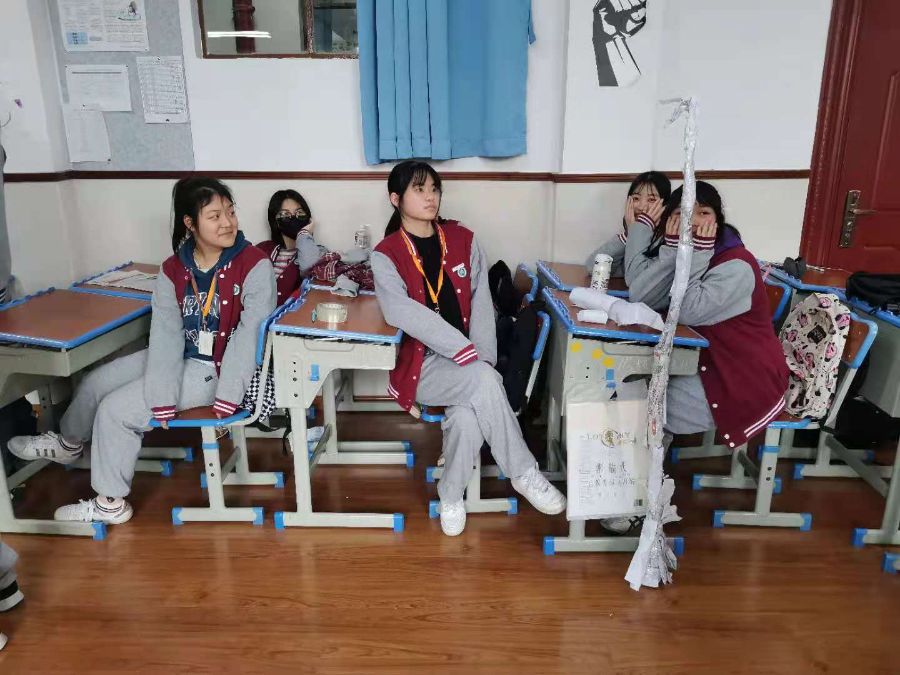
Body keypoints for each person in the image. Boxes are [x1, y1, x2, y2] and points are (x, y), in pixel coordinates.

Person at [8, 177, 275, 525]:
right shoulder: (173, 269)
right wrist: (162, 393)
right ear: (190, 223)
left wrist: (228, 394)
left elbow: (249, 334)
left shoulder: (254, 264)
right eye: (214, 216)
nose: (227, 222)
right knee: (95, 382)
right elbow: (165, 333)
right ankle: (70, 444)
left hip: (217, 368)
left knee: (115, 410)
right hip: (179, 355)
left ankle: (110, 503)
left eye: (230, 211)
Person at [370, 160, 566, 536]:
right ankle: (523, 472)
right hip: (424, 366)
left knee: (467, 417)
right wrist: (460, 349)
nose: (430, 197)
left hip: (471, 361)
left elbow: (481, 303)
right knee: (483, 383)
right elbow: (398, 310)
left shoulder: (463, 240)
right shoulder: (386, 254)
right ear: (396, 199)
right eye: (419, 190)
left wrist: (482, 357)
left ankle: (450, 495)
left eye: (434, 189)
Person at [604, 182, 788, 534]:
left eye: (703, 214)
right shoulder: (684, 249)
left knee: (643, 411)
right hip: (702, 362)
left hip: (741, 378)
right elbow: (642, 294)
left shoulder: (736, 265)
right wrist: (672, 251)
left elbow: (686, 309)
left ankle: (636, 502)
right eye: (682, 215)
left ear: (719, 220)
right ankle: (632, 489)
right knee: (628, 396)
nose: (693, 223)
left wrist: (695, 253)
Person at [584, 171, 670, 277]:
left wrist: (637, 233)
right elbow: (593, 267)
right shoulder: (629, 238)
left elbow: (638, 279)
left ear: (665, 205)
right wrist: (630, 234)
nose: (641, 207)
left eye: (651, 199)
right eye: (636, 198)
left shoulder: (668, 245)